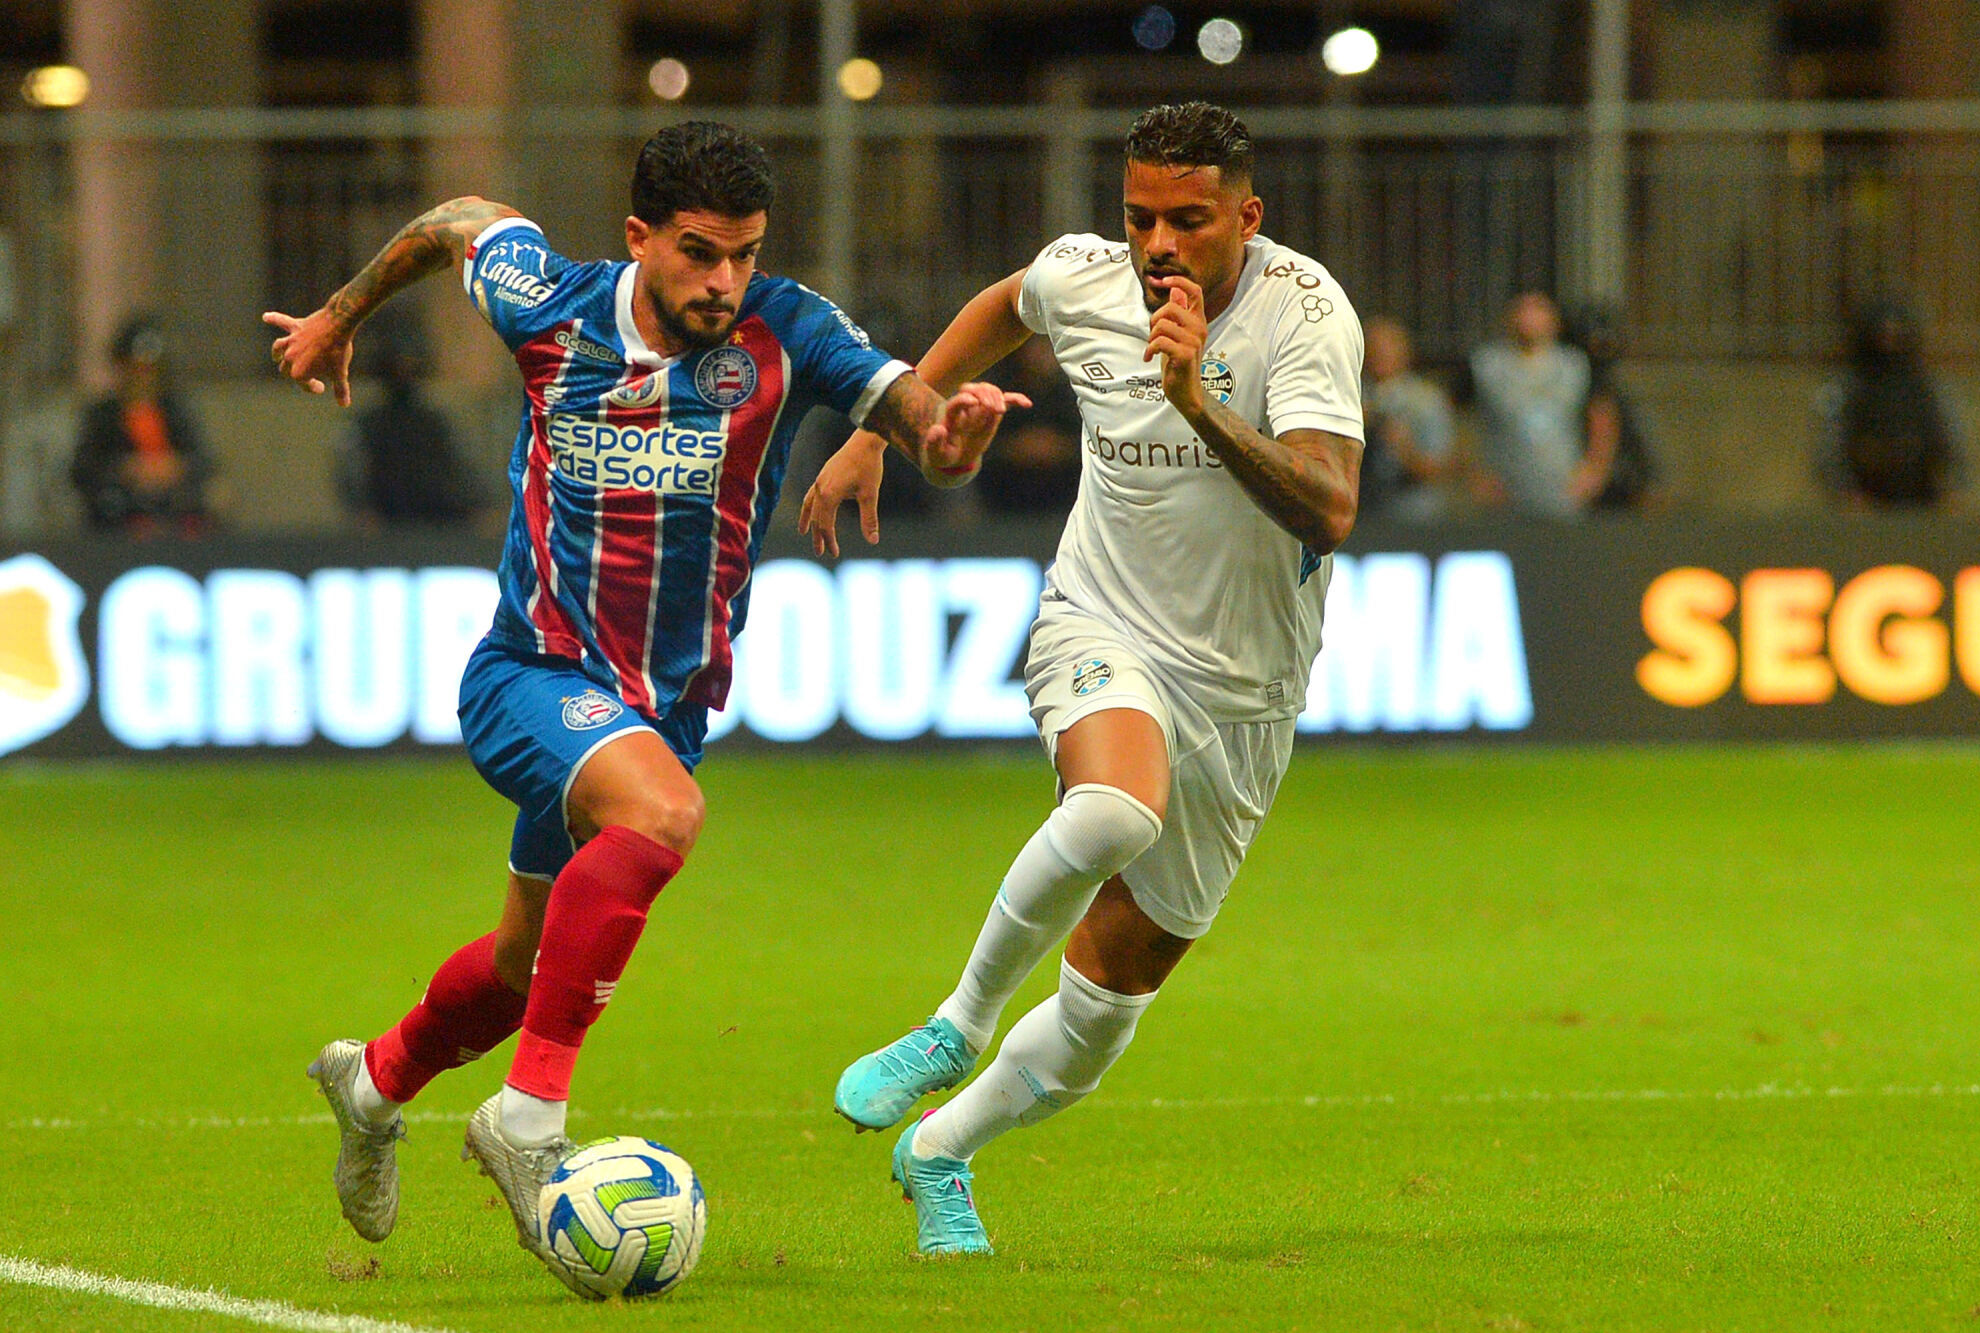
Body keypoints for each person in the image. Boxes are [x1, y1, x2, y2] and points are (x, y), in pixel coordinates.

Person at [264, 120, 1025, 1289]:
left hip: (661, 707)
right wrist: (340, 312)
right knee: (661, 818)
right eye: (697, 253)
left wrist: (950, 438)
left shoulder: (789, 329)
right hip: (530, 675)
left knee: (524, 965)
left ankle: (371, 1081)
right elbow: (458, 220)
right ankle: (527, 1120)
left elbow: (916, 419)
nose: (724, 281)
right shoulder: (551, 305)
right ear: (637, 238)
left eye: (743, 254)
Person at [800, 101, 1364, 1255]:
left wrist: (1195, 399)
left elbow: (1329, 505)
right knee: (1110, 806)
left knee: (1104, 1016)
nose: (1156, 246)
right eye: (1139, 218)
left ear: (1245, 218)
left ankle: (939, 1150)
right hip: (1098, 621)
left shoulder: (1305, 316)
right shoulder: (1082, 276)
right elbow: (1002, 308)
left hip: (1246, 691)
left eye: (1188, 222)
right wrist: (879, 424)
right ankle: (955, 1021)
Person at [71, 316, 217, 536]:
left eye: (149, 369)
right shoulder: (103, 415)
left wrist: (174, 467)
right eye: (135, 369)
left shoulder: (174, 410)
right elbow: (82, 470)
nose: (143, 377)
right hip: (120, 515)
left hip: (172, 511)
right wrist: (127, 469)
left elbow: (203, 460)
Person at [1815, 300, 1967, 510]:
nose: (1889, 341)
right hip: (1864, 502)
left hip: (1923, 497)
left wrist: (1953, 488)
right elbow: (1830, 445)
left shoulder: (1928, 388)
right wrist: (1845, 492)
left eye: (1896, 334)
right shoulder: (1846, 388)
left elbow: (1951, 438)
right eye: (1883, 335)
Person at [336, 316, 485, 528]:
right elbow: (352, 468)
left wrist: (477, 507)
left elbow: (461, 464)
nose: (404, 371)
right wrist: (363, 510)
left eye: (410, 365)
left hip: (440, 518)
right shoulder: (371, 425)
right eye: (397, 366)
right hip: (388, 520)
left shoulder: (433, 422)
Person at [1469, 291, 1603, 518]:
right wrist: (1475, 475)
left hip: (1562, 488)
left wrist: (1595, 470)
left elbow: (1601, 414)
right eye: (1522, 310)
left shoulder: (1575, 364)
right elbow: (1462, 417)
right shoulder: (1486, 364)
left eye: (1537, 309)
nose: (1528, 318)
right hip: (1505, 489)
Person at [1357, 314, 1454, 523]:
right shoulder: (1350, 399)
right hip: (1361, 515)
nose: (1380, 356)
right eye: (1373, 349)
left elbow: (1439, 469)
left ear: (1404, 352)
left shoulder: (1427, 401)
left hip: (1413, 516)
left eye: (1387, 349)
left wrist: (1404, 448)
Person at [971, 339, 1084, 516]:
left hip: (1065, 500)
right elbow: (979, 449)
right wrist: (1017, 447)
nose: (1039, 355)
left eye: (1046, 348)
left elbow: (1092, 445)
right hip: (1003, 501)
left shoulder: (1074, 392)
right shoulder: (999, 387)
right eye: (1034, 348)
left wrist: (1058, 446)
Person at [1565, 302, 1658, 512]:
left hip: (1614, 486)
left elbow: (1604, 424)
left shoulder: (1603, 384)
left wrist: (1596, 472)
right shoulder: (1577, 376)